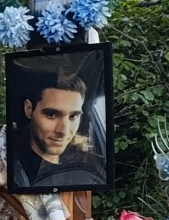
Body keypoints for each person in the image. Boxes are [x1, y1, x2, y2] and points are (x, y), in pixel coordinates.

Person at [8, 60, 103, 191]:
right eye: (51, 114)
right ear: (29, 109)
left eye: (73, 116)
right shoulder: (9, 163)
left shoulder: (90, 163)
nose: (63, 131)